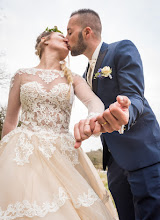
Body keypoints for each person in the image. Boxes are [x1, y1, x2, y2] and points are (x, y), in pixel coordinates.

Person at [0, 26, 119, 219]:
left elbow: (93, 101)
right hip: (23, 153)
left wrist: (92, 117)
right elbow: (10, 123)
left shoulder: (73, 78)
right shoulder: (21, 75)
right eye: (60, 35)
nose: (66, 39)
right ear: (44, 41)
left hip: (62, 152)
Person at [66, 9, 160, 220]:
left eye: (70, 31)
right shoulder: (84, 76)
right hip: (115, 163)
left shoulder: (121, 49)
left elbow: (134, 96)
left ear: (87, 32)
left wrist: (126, 111)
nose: (66, 37)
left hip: (142, 155)